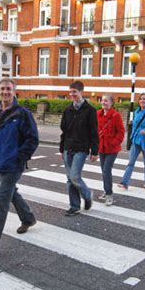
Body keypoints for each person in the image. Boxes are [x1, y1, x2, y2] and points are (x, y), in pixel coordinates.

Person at [0, 78, 39, 257]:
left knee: (1, 202)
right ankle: (28, 218)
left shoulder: (22, 113)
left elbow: (32, 139)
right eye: (2, 89)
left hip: (13, 165)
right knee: (11, 193)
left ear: (14, 91)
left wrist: (20, 157)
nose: (5, 92)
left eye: (8, 89)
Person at [60, 80, 98, 216]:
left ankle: (87, 195)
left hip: (81, 148)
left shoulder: (90, 111)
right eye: (70, 92)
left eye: (74, 92)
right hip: (68, 147)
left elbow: (94, 132)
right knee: (70, 180)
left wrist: (94, 151)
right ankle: (74, 206)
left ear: (81, 92)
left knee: (75, 177)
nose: (72, 94)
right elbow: (64, 132)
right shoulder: (68, 110)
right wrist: (61, 150)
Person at [118, 93, 145, 190]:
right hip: (136, 141)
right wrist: (131, 138)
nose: (142, 101)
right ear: (138, 101)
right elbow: (134, 127)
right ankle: (124, 183)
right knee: (131, 162)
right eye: (141, 99)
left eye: (144, 99)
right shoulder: (136, 112)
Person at [97, 95, 125, 206]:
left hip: (112, 148)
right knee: (104, 171)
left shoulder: (116, 116)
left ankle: (109, 194)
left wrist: (113, 143)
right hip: (101, 147)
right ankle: (106, 190)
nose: (104, 102)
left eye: (106, 101)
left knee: (106, 171)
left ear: (111, 103)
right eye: (102, 100)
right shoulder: (97, 114)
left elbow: (121, 132)